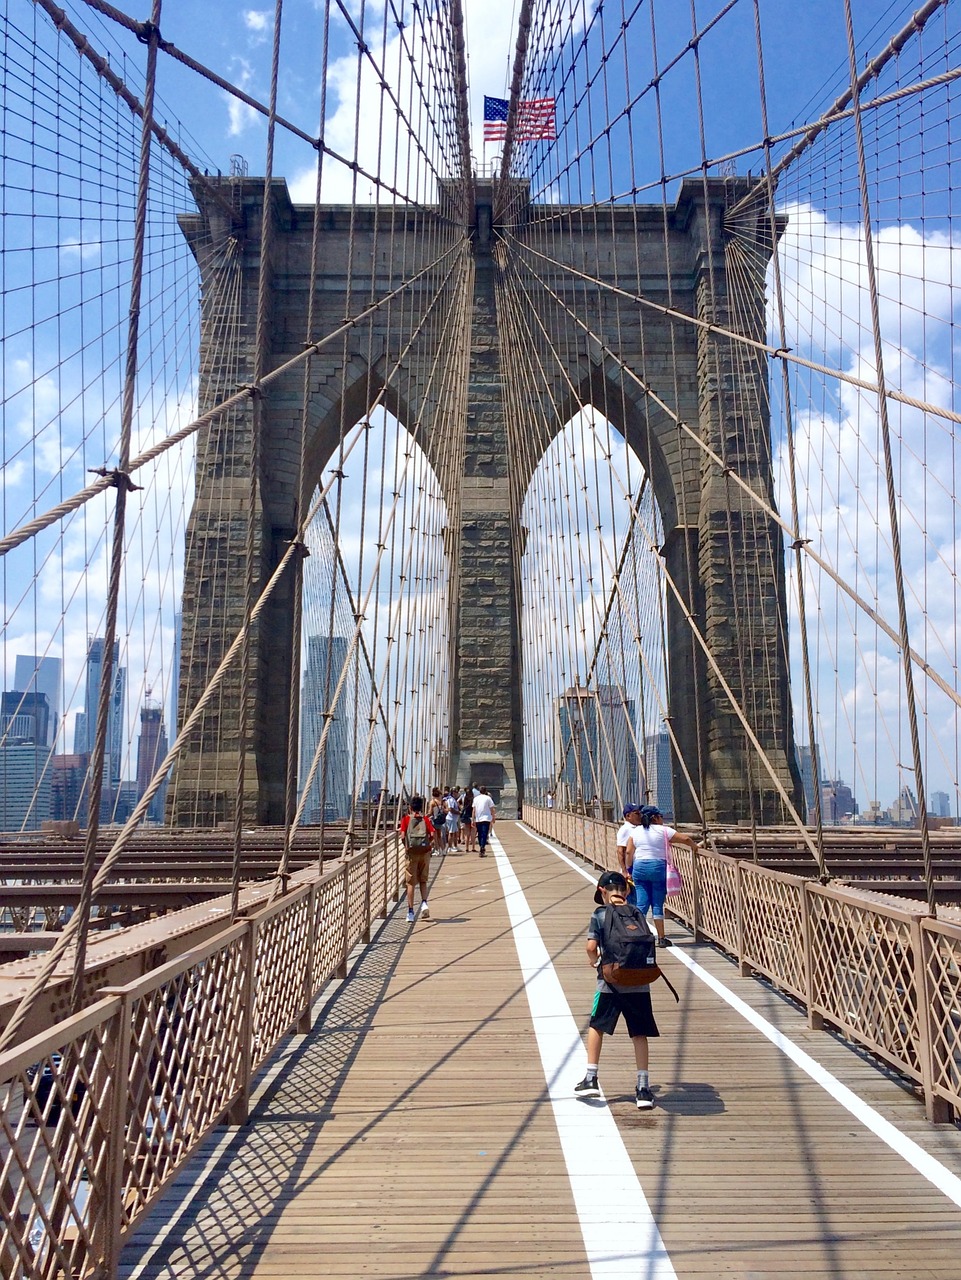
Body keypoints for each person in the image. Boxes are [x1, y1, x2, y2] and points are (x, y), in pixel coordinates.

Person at [574, 870, 659, 1110]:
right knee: (639, 1034)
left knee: (597, 1026)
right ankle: (643, 1088)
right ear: (627, 891)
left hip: (610, 983)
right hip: (640, 982)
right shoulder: (637, 913)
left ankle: (591, 1077)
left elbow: (591, 947)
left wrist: (596, 961)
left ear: (602, 892)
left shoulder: (600, 914)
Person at [627, 804, 697, 948]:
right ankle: (662, 938)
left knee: (641, 903)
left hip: (639, 867)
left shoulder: (636, 832)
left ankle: (636, 936)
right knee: (657, 904)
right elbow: (685, 839)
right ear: (656, 818)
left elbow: (629, 852)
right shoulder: (664, 830)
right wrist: (695, 848)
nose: (662, 819)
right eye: (661, 817)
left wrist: (629, 870)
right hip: (658, 867)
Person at [398, 796, 435, 921]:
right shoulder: (425, 819)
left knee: (411, 883)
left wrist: (407, 847)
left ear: (410, 807)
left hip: (412, 854)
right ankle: (424, 903)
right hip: (424, 853)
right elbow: (432, 834)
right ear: (421, 807)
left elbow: (403, 836)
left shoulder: (406, 819)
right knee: (423, 880)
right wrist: (426, 845)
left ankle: (410, 912)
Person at [615, 804, 643, 905]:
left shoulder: (639, 828)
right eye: (636, 813)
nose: (640, 815)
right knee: (633, 900)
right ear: (628, 816)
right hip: (630, 872)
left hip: (638, 868)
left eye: (640, 813)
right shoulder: (625, 829)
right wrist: (624, 871)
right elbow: (620, 851)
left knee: (639, 899)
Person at [472, 786, 496, 856]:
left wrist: (473, 819)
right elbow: (492, 809)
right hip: (486, 818)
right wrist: (493, 817)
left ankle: (481, 846)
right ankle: (482, 846)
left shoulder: (476, 799)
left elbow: (474, 810)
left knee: (479, 833)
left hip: (478, 819)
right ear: (486, 791)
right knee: (484, 833)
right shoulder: (488, 798)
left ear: (479, 791)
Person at [429, 787, 447, 853]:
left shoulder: (432, 802)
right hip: (441, 820)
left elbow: (430, 812)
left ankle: (436, 850)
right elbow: (447, 810)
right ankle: (443, 850)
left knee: (435, 836)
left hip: (434, 820)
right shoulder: (442, 802)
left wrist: (425, 816)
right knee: (439, 836)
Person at [461, 787, 476, 852]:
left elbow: (463, 807)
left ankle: (467, 848)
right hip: (472, 817)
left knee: (467, 833)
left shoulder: (465, 799)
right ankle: (473, 847)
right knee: (473, 833)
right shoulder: (474, 800)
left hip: (466, 817)